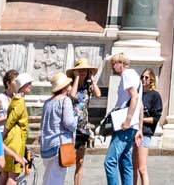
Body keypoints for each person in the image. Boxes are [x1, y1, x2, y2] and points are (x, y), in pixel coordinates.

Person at [102, 52, 140, 185]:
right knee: (125, 161)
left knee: (110, 161)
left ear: (121, 64)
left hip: (125, 125)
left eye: (113, 64)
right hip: (132, 125)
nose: (112, 67)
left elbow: (134, 97)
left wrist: (128, 120)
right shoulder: (135, 75)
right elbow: (139, 103)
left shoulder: (126, 74)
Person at [67, 60, 97, 185]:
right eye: (80, 70)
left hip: (82, 127)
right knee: (65, 159)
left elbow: (98, 94)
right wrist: (77, 78)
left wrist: (93, 80)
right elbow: (73, 95)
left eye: (85, 70)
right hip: (69, 127)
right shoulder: (70, 85)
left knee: (80, 161)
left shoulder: (88, 86)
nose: (83, 72)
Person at [0, 73, 32, 185]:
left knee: (4, 174)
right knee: (13, 175)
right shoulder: (20, 101)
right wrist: (3, 135)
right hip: (16, 140)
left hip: (10, 139)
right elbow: (11, 120)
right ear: (22, 85)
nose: (31, 85)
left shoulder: (14, 99)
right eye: (28, 83)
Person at [135, 68, 162, 185]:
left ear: (151, 80)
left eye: (146, 77)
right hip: (133, 132)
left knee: (142, 168)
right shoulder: (137, 94)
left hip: (145, 133)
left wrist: (140, 119)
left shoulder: (155, 96)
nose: (143, 79)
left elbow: (155, 118)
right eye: (142, 77)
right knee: (132, 167)